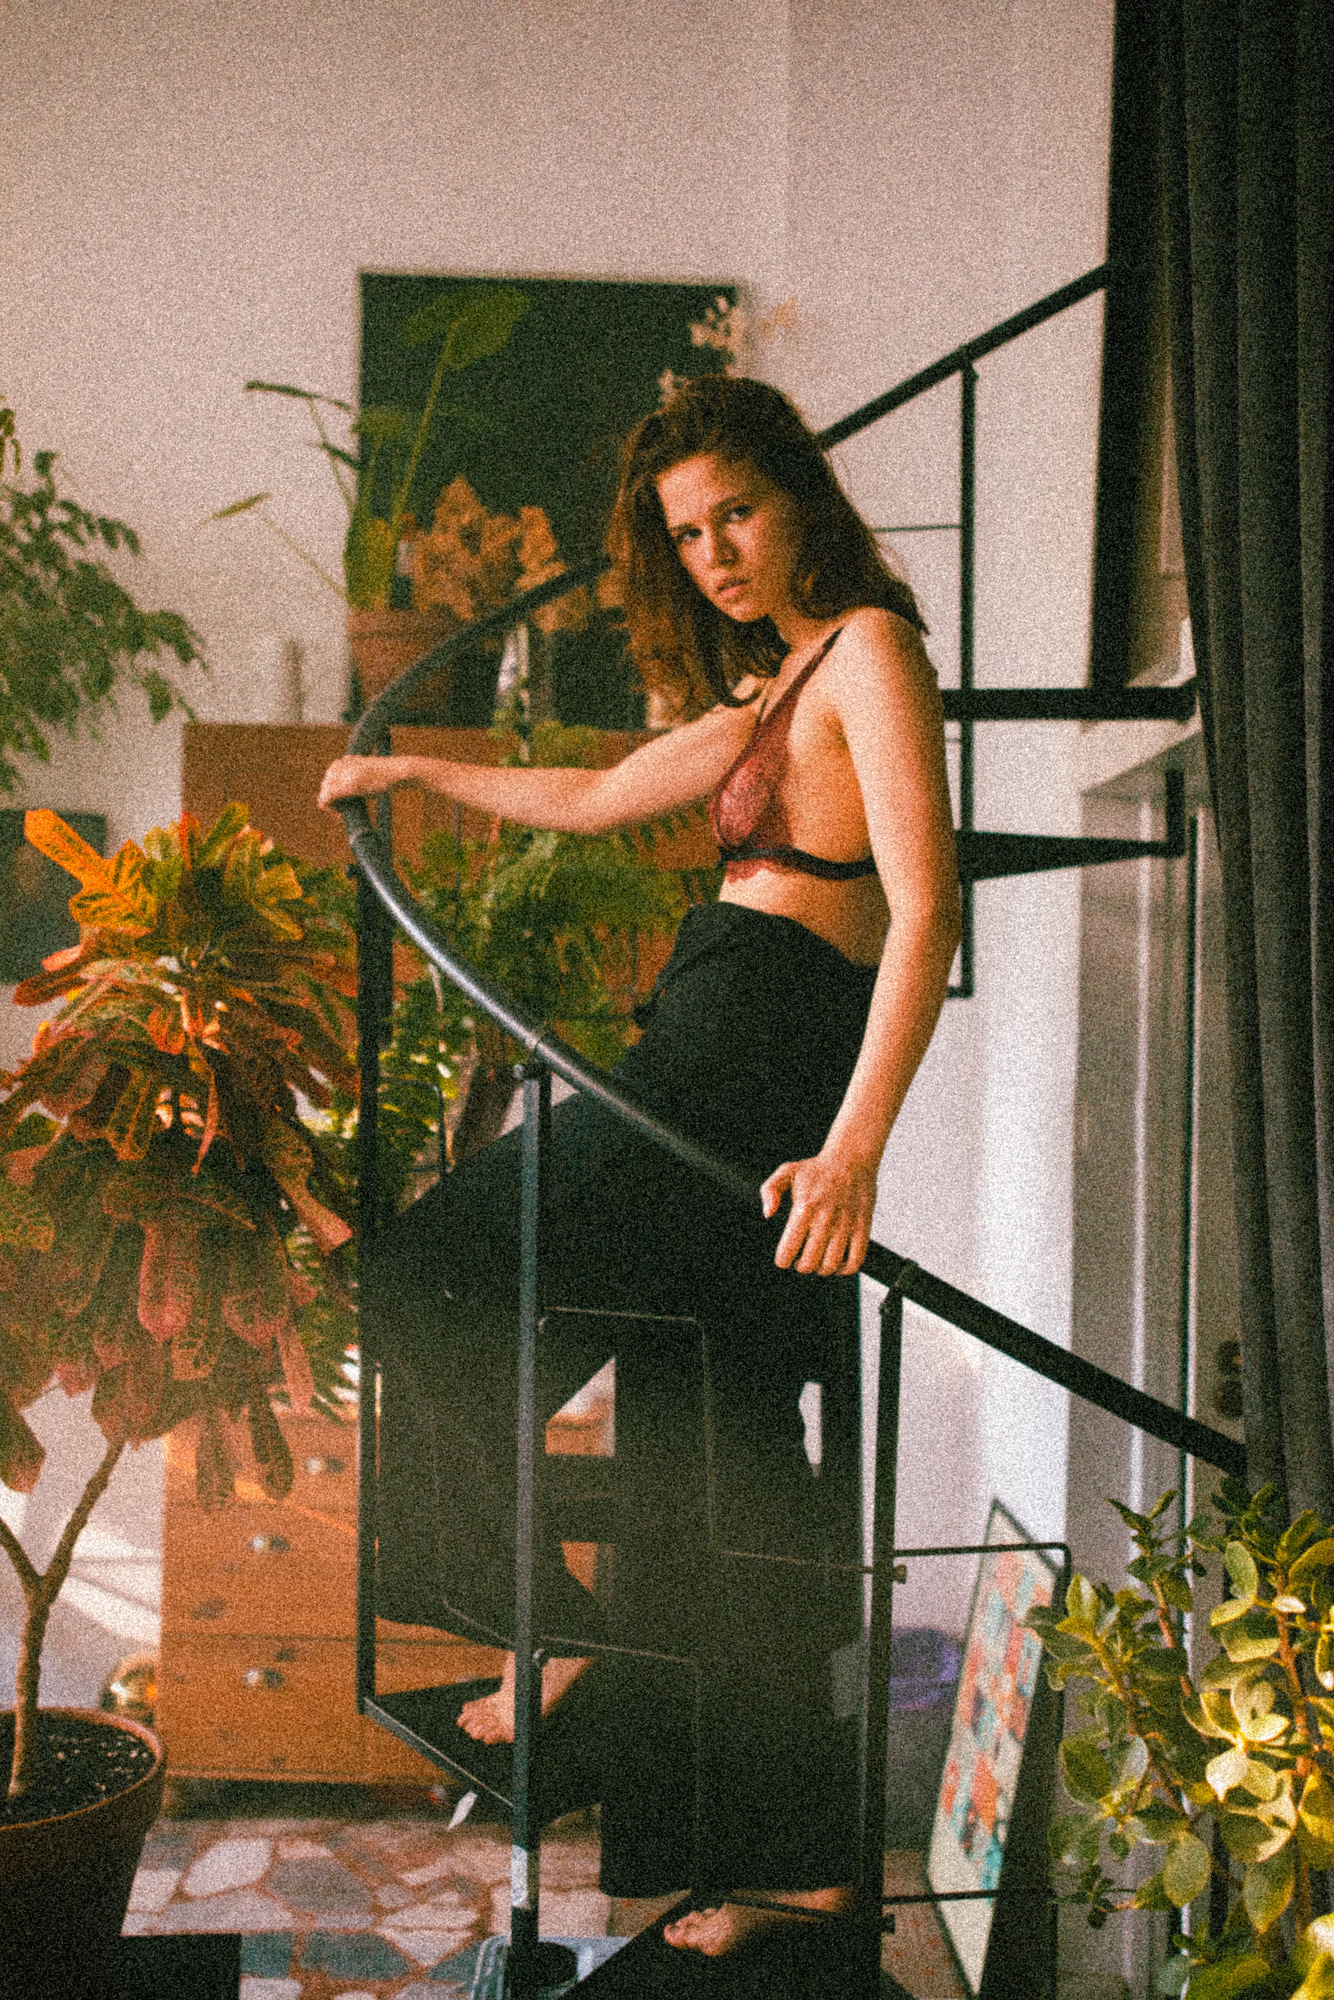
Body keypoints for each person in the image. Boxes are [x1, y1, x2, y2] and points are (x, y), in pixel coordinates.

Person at [318, 374, 960, 1963]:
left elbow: (925, 912)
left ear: (799, 496)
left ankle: (552, 1633)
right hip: (705, 1066)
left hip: (734, 1084)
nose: (714, 552)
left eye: (736, 511)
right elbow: (602, 795)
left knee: (424, 1279)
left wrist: (853, 1151)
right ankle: (793, 1869)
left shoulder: (869, 651)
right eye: (685, 533)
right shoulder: (778, 681)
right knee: (717, 1474)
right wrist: (419, 777)